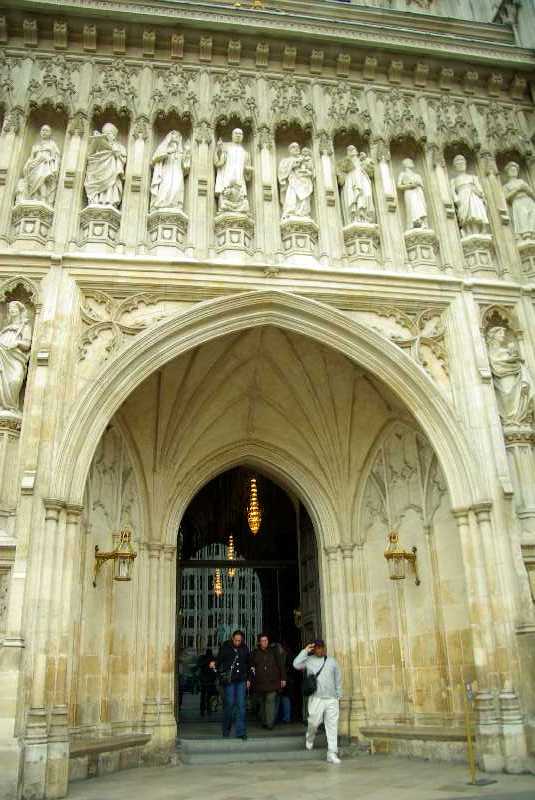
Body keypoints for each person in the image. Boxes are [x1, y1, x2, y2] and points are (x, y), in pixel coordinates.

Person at [293, 639, 342, 764]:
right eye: (318, 648)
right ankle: (310, 737)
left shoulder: (332, 661)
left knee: (332, 726)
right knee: (313, 722)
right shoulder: (309, 660)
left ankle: (332, 752)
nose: (320, 650)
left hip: (331, 698)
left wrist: (338, 695)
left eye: (322, 647)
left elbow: (338, 678)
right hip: (316, 698)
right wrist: (305, 651)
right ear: (314, 649)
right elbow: (296, 664)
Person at [487, 326, 534, 426]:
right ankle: (509, 419)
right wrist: (510, 359)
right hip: (501, 377)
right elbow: (494, 362)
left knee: (516, 397)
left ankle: (517, 419)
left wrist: (514, 357)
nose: (503, 336)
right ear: (493, 336)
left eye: (503, 334)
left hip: (513, 375)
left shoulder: (506, 349)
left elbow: (515, 359)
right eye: (500, 333)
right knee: (507, 397)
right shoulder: (491, 350)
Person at [0, 301, 33, 417]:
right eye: (10, 308)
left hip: (16, 357)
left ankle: (11, 406)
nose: (11, 310)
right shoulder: (6, 328)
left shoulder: (25, 326)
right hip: (2, 355)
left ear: (20, 310)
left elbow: (27, 345)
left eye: (14, 308)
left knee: (15, 379)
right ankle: (2, 407)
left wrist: (17, 343)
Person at [216, 629, 251, 739]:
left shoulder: (245, 648)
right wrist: (214, 664)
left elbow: (248, 664)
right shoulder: (226, 646)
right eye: (236, 640)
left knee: (241, 706)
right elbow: (219, 660)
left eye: (239, 640)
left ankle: (241, 732)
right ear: (232, 638)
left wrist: (248, 679)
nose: (237, 642)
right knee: (229, 705)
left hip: (241, 680)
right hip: (229, 680)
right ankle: (226, 729)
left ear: (242, 640)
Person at [84, 122, 127, 207]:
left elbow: (122, 159)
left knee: (111, 183)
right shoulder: (99, 142)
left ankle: (108, 200)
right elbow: (90, 155)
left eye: (109, 133)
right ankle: (95, 200)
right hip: (98, 169)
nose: (107, 135)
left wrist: (115, 151)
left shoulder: (120, 146)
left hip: (111, 170)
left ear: (114, 135)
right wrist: (95, 141)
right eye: (105, 133)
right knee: (94, 179)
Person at [250, 633, 287, 730]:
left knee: (270, 701)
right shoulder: (255, 653)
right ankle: (264, 721)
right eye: (262, 641)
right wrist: (251, 679)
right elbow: (251, 666)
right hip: (260, 682)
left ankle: (270, 723)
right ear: (259, 642)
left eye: (266, 640)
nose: (264, 642)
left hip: (272, 681)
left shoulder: (274, 651)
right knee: (262, 702)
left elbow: (281, 665)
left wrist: (283, 678)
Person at [150, 130, 191, 211]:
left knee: (177, 188)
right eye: (174, 136)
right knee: (165, 187)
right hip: (166, 172)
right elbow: (154, 159)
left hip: (178, 173)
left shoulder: (180, 152)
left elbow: (185, 167)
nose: (176, 138)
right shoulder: (164, 147)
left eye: (178, 137)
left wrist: (187, 152)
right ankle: (161, 204)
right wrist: (168, 151)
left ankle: (175, 205)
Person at [21, 124, 61, 207]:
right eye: (43, 130)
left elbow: (56, 156)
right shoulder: (36, 146)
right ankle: (35, 197)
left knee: (41, 178)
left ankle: (43, 199)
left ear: (50, 133)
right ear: (40, 132)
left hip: (45, 165)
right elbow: (31, 157)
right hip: (35, 165)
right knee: (35, 180)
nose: (44, 132)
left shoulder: (52, 144)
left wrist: (50, 160)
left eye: (46, 131)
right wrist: (27, 165)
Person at [214, 128, 252, 213]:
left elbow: (247, 177)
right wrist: (218, 150)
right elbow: (219, 163)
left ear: (243, 136)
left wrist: (248, 171)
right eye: (236, 133)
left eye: (240, 134)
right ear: (232, 135)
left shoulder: (246, 153)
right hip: (226, 180)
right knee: (224, 199)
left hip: (239, 183)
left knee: (243, 204)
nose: (238, 135)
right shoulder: (226, 147)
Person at [450, 153, 489, 237]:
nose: (461, 165)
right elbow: (453, 192)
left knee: (475, 213)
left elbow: (480, 191)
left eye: (462, 163)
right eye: (458, 164)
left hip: (473, 196)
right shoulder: (454, 180)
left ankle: (479, 231)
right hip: (462, 198)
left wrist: (476, 191)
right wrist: (456, 199)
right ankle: (468, 232)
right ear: (455, 167)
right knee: (465, 216)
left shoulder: (473, 177)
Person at [337, 145, 375, 226]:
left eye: (353, 149)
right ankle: (355, 216)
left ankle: (364, 215)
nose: (351, 151)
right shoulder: (346, 162)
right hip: (351, 180)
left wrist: (366, 160)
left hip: (362, 178)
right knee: (353, 196)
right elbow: (340, 177)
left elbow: (371, 170)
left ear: (356, 151)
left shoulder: (361, 160)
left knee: (366, 194)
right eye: (349, 150)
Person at [278, 142, 315, 220]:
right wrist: (293, 164)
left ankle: (303, 213)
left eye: (298, 147)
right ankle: (291, 212)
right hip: (293, 181)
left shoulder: (304, 159)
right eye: (294, 147)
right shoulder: (286, 160)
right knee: (292, 196)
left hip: (304, 182)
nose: (296, 149)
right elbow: (282, 171)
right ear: (290, 150)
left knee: (304, 197)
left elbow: (311, 169)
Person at [503, 161, 535, 239]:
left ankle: (533, 233)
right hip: (517, 201)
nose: (514, 172)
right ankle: (526, 234)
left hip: (528, 200)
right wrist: (517, 189)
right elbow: (506, 197)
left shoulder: (522, 182)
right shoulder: (506, 185)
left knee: (532, 215)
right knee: (523, 215)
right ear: (508, 173)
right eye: (512, 170)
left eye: (515, 170)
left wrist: (527, 189)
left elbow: (532, 194)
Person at [397, 157, 428, 230]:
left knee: (421, 207)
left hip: (418, 192)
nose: (412, 163)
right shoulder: (403, 174)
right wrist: (409, 185)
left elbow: (422, 185)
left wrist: (418, 184)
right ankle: (413, 224)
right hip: (409, 192)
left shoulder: (417, 175)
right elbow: (399, 186)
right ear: (405, 164)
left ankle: (422, 223)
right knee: (412, 208)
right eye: (410, 162)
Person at [197, 648, 218, 716]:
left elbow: (215, 668)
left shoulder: (211, 658)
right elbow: (200, 665)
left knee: (207, 696)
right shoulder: (206, 658)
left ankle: (206, 709)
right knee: (205, 696)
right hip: (206, 679)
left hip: (209, 680)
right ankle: (204, 709)